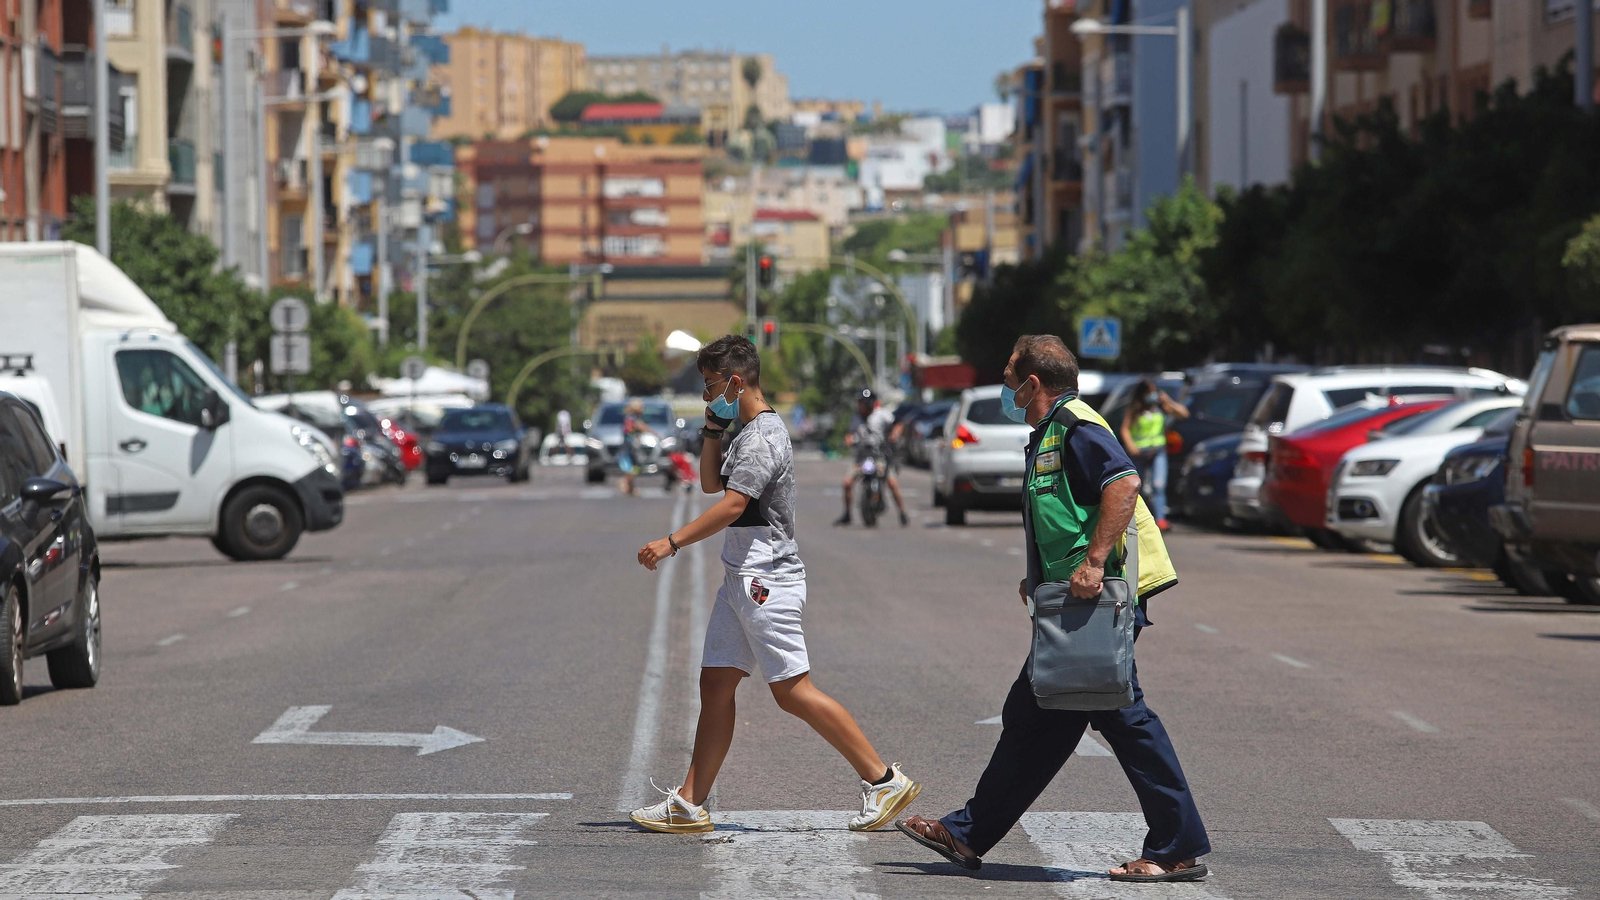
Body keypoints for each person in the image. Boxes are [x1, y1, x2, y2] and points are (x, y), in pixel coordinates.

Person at [896, 335, 1210, 883]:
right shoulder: (1051, 430)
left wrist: (1091, 563)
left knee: (1120, 717)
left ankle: (1176, 847)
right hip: (1073, 598)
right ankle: (969, 834)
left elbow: (1124, 485)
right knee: (1037, 713)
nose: (1005, 386)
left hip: (1100, 596)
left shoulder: (1077, 427)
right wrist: (1040, 575)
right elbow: (1066, 509)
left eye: (1009, 375)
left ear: (1033, 383)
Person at [632, 335, 921, 835]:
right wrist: (710, 429)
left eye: (711, 385)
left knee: (791, 690)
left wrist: (672, 543)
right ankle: (690, 802)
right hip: (739, 576)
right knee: (716, 684)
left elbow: (731, 505)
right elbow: (708, 484)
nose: (706, 394)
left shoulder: (765, 435)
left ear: (736, 381)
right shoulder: (741, 431)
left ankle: (883, 780)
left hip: (766, 580)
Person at [1119, 380, 1188, 531]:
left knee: (1159, 485)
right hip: (1139, 453)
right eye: (1149, 392)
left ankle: (1161, 519)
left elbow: (1183, 413)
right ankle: (1140, 517)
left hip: (1158, 451)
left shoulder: (1160, 407)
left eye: (1154, 391)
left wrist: (1168, 400)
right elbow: (1125, 429)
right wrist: (1131, 445)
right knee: (1138, 487)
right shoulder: (1134, 409)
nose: (1152, 395)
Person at [836, 388, 909, 527]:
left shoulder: (882, 415)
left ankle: (902, 512)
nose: (860, 406)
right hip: (861, 458)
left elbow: (898, 424)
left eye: (862, 403)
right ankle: (847, 514)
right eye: (859, 403)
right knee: (847, 483)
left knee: (892, 483)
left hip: (880, 457)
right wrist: (848, 440)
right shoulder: (855, 418)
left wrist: (895, 434)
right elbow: (849, 434)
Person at [618, 399, 653, 496]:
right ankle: (626, 484)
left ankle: (629, 487)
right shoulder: (632, 418)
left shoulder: (630, 417)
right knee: (633, 465)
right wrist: (651, 432)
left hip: (629, 443)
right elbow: (639, 426)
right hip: (631, 444)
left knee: (631, 466)